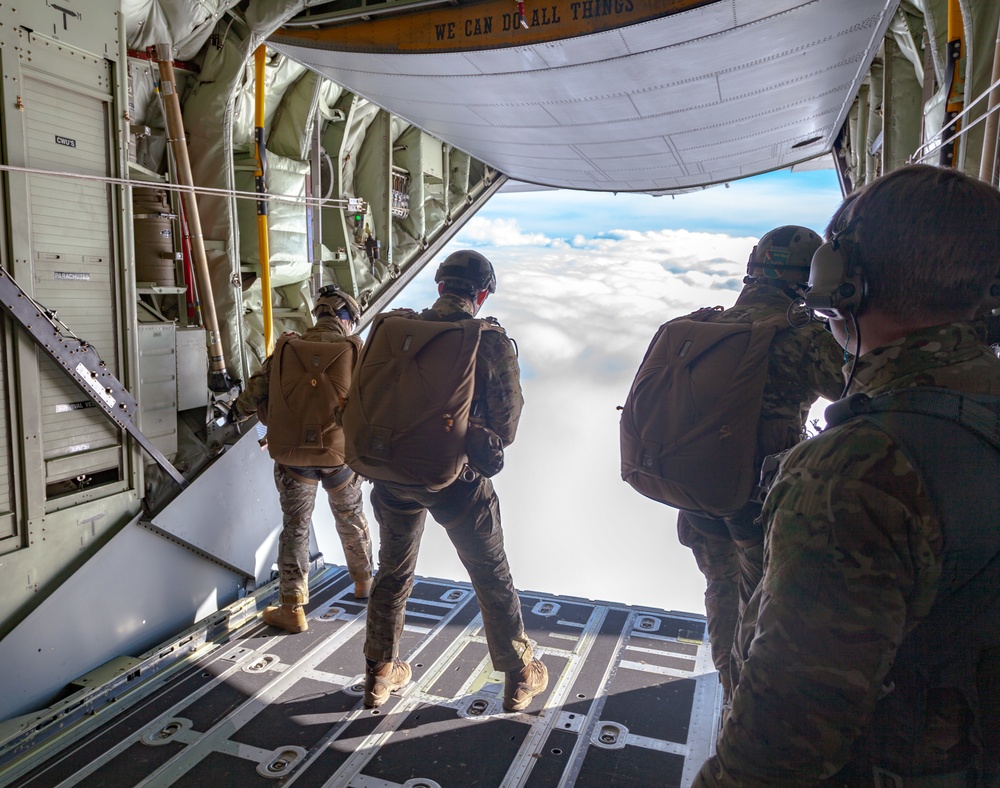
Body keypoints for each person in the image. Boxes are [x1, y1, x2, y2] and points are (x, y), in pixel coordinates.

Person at [694, 163, 1000, 786]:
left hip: (894, 759)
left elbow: (778, 750)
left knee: (731, 606)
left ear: (843, 283)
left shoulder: (853, 472)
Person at [361, 250, 547, 711]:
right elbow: (505, 427)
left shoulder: (398, 331)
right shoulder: (488, 341)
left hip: (390, 472)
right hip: (455, 482)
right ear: (481, 295)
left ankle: (379, 673)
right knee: (490, 574)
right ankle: (520, 675)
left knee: (392, 571)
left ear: (440, 285)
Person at [677, 226, 844, 700]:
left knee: (721, 592)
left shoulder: (702, 326)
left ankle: (729, 685)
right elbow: (864, 392)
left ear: (753, 268)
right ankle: (741, 706)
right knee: (760, 617)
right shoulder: (804, 337)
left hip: (698, 497)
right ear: (806, 279)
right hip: (758, 508)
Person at [232, 285, 374, 634]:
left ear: (319, 314)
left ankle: (293, 608)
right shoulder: (356, 351)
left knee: (296, 526)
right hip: (339, 456)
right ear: (346, 318)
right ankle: (363, 581)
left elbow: (251, 399)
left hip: (294, 457)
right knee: (350, 515)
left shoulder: (286, 347)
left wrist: (235, 412)